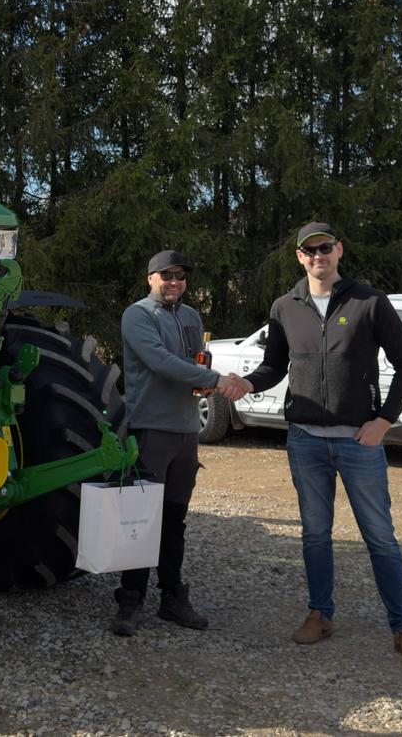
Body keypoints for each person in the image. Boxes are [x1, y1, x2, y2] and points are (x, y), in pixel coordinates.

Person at [232, 223, 402, 667]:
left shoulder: (369, 302)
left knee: (380, 538)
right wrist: (245, 383)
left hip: (359, 443)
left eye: (326, 248)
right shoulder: (286, 306)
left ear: (339, 251)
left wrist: (383, 421)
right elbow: (274, 366)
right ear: (300, 257)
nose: (318, 255)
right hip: (305, 441)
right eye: (310, 250)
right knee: (316, 536)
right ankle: (320, 614)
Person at [111, 250, 249, 637]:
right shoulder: (137, 315)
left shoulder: (190, 317)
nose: (174, 282)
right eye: (166, 275)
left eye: (181, 276)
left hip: (186, 432)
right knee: (142, 518)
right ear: (150, 278)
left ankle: (172, 597)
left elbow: (193, 363)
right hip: (150, 430)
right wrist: (217, 379)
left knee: (174, 519)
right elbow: (159, 361)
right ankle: (130, 599)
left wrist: (205, 377)